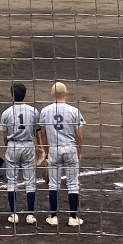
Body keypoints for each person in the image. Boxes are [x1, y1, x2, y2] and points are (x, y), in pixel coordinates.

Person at [39, 82, 85, 227]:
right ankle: (73, 218)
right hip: (70, 148)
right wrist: (80, 150)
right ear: (66, 93)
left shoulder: (45, 111)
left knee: (53, 184)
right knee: (73, 184)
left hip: (54, 149)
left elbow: (43, 133)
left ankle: (53, 217)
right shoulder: (73, 111)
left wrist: (46, 151)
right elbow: (79, 135)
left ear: (52, 94)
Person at [0, 82, 41, 225]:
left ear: (12, 95)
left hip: (13, 145)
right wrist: (39, 146)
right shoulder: (33, 111)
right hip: (29, 145)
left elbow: (4, 135)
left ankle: (14, 214)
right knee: (30, 181)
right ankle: (30, 214)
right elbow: (37, 131)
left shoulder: (6, 112)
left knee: (12, 181)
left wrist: (8, 146)